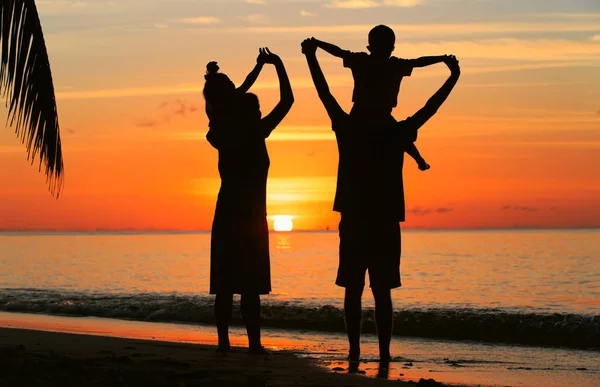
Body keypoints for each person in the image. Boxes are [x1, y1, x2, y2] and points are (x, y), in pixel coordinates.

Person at [301, 38, 460, 366]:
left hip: (357, 216)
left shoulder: (349, 125)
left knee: (354, 288)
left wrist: (310, 57)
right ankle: (383, 354)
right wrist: (452, 76)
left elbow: (323, 91)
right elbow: (431, 105)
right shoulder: (396, 130)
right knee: (381, 291)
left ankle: (356, 351)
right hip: (383, 219)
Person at [204, 48, 294, 354]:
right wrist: (278, 64)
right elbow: (287, 101)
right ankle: (252, 344)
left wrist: (220, 77)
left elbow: (235, 93)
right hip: (250, 217)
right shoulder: (253, 130)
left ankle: (226, 344)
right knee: (248, 286)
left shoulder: (222, 131)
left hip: (230, 213)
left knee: (227, 286)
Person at [309, 25, 450, 171]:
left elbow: (339, 52)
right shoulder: (392, 64)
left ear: (370, 47)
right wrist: (442, 58)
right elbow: (418, 62)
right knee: (401, 134)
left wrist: (318, 43)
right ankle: (420, 160)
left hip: (364, 115)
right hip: (372, 115)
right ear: (392, 48)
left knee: (401, 134)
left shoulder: (364, 60)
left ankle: (419, 160)